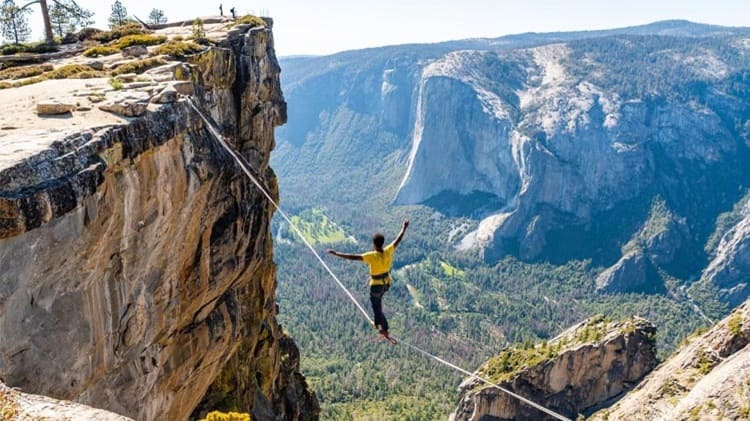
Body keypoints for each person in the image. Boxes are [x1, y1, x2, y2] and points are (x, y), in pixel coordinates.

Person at [327, 220, 409, 336]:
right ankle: (377, 322)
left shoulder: (372, 256)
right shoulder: (388, 250)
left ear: (374, 244)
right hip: (386, 283)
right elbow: (398, 239)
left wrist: (336, 253)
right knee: (377, 303)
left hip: (376, 285)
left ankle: (384, 328)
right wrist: (404, 227)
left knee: (376, 306)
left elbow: (353, 257)